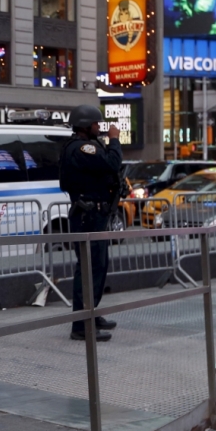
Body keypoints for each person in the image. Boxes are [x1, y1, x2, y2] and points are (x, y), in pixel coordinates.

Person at [59, 105, 122, 342]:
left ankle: (91, 315)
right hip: (88, 215)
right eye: (96, 123)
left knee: (98, 266)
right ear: (86, 125)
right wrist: (115, 141)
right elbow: (111, 163)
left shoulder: (85, 146)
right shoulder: (83, 148)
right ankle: (81, 325)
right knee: (88, 268)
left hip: (93, 214)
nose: (100, 127)